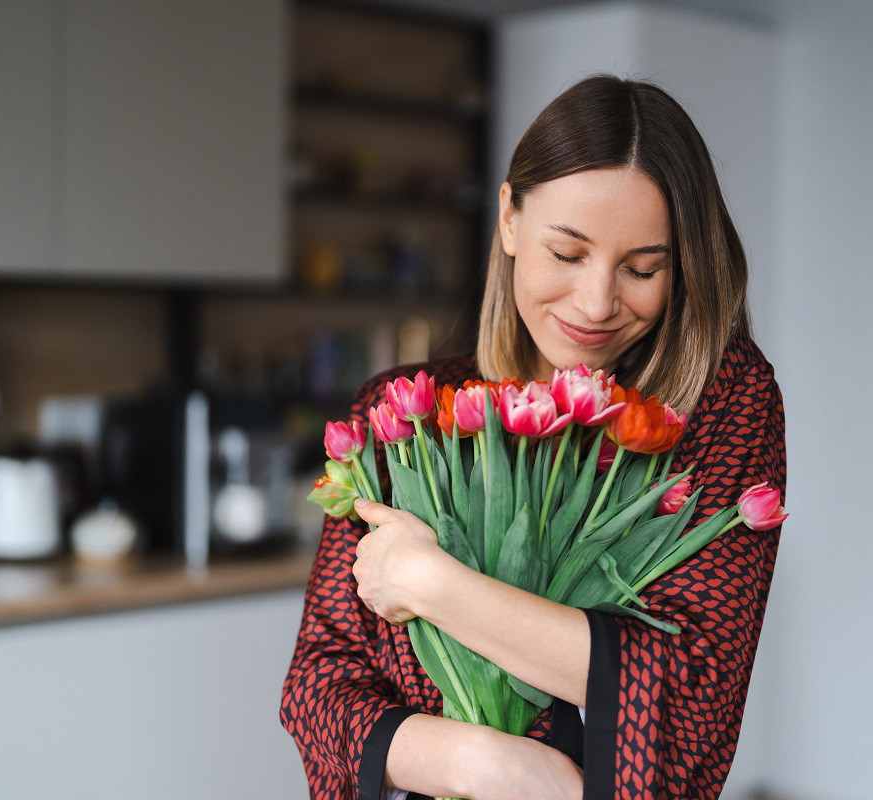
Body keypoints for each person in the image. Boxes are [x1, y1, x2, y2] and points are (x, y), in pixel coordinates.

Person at [280, 74, 787, 800]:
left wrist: (430, 583)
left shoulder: (723, 405)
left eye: (643, 269)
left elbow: (692, 691)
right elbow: (318, 688)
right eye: (568, 253)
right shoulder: (401, 419)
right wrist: (487, 767)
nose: (596, 303)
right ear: (510, 221)